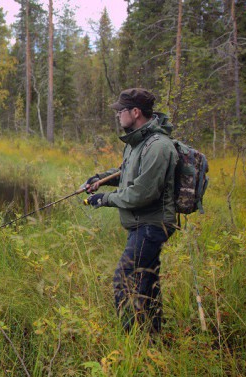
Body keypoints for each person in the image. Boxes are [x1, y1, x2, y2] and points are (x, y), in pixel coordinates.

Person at [82, 88, 178, 335]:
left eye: (121, 111)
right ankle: (153, 338)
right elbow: (126, 172)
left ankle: (130, 340)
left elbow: (142, 193)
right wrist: (100, 179)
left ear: (135, 112)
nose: (117, 115)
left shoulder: (158, 147)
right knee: (147, 284)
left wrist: (104, 199)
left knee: (123, 280)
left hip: (152, 226)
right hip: (140, 224)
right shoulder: (137, 143)